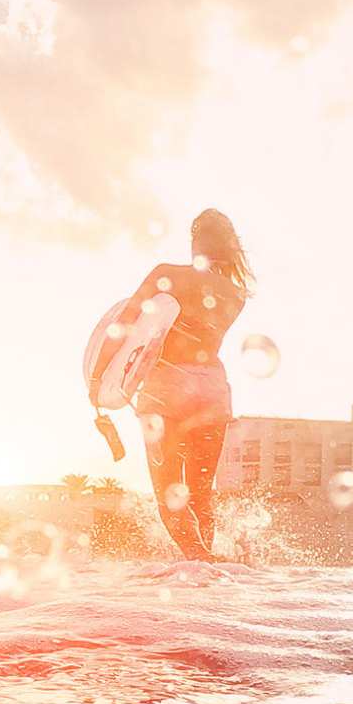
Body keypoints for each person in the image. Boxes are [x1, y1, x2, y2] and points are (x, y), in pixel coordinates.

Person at [124, 208, 254, 561]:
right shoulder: (235, 294)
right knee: (200, 496)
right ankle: (206, 577)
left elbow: (124, 326)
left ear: (194, 241)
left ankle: (201, 560)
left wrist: (98, 384)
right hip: (212, 388)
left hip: (167, 384)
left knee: (170, 496)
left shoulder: (166, 275)